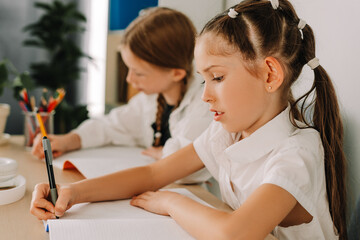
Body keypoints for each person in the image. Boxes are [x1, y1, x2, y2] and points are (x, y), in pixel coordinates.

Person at [30, 0, 347, 239]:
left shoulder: (297, 152)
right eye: (203, 81)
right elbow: (155, 173)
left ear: (270, 74)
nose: (205, 95)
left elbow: (234, 233)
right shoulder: (227, 134)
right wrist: (76, 193)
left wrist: (171, 203)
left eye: (218, 77)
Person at [31, 7, 212, 183]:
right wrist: (70, 140)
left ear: (176, 73)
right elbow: (110, 125)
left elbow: (187, 169)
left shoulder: (204, 105)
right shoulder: (150, 99)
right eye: (129, 69)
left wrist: (162, 153)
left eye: (139, 73)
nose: (129, 79)